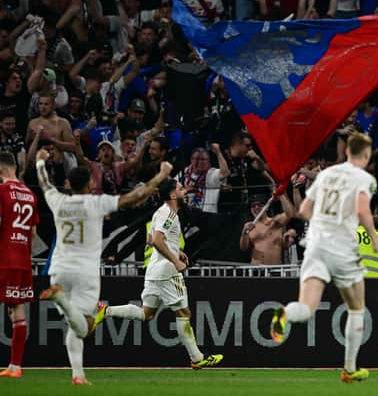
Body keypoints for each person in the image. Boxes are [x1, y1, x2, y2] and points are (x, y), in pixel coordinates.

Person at [37, 150, 173, 385]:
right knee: (83, 327)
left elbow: (44, 183)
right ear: (90, 184)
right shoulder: (96, 203)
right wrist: (160, 177)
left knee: (73, 325)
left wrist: (40, 161)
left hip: (59, 270)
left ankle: (78, 375)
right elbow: (134, 197)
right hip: (85, 273)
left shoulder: (58, 200)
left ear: (69, 184)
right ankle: (62, 301)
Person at [270, 133, 378, 382]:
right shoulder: (364, 178)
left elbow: (304, 210)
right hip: (341, 248)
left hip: (314, 244)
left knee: (307, 308)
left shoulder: (325, 175)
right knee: (356, 308)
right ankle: (350, 369)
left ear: (346, 153)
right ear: (365, 155)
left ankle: (286, 314)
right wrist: (375, 239)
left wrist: (325, 225)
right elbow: (363, 210)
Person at [93, 180, 223, 370]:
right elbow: (156, 240)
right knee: (184, 313)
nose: (184, 191)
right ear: (172, 196)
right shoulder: (169, 213)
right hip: (167, 271)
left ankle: (106, 311)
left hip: (154, 269)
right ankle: (197, 358)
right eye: (180, 189)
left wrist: (176, 250)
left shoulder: (160, 212)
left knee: (147, 314)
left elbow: (149, 239)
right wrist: (175, 260)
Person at [0, 152, 39, 378]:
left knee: (14, 310)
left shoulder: (3, 191)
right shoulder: (30, 194)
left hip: (4, 259)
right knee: (17, 311)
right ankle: (15, 366)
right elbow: (32, 232)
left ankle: (14, 367)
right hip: (23, 260)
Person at [240, 193, 297, 265]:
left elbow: (291, 213)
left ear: (266, 207)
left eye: (259, 205)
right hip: (256, 269)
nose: (256, 207)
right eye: (253, 206)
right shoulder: (249, 226)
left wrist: (281, 194)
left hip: (274, 269)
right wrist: (244, 232)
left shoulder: (275, 222)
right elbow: (243, 248)